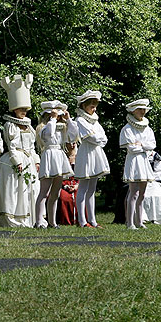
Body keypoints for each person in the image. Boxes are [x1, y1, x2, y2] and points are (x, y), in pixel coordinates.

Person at [0, 74, 39, 227]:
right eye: (20, 108)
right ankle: (13, 219)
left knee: (31, 189)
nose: (23, 111)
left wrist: (36, 160)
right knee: (14, 191)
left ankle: (32, 218)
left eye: (25, 108)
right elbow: (12, 146)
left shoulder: (29, 125)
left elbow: (32, 146)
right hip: (14, 159)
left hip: (29, 158)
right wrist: (17, 161)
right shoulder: (10, 125)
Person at [70, 90, 110, 228]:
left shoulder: (95, 120)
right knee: (83, 187)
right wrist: (98, 138)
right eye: (91, 105)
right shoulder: (80, 120)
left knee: (92, 188)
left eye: (95, 105)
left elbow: (103, 138)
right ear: (84, 106)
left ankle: (92, 220)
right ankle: (82, 221)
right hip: (86, 153)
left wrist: (98, 138)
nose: (94, 108)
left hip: (96, 153)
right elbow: (91, 137)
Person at [34, 100, 74, 229]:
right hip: (49, 155)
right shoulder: (44, 128)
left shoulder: (61, 127)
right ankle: (39, 221)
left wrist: (68, 120)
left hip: (59, 155)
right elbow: (48, 135)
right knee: (44, 192)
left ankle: (52, 222)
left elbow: (73, 135)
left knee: (55, 192)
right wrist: (52, 119)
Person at [119, 99, 156, 230]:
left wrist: (142, 145)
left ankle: (139, 221)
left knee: (142, 193)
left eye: (144, 109)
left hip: (144, 160)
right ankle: (130, 222)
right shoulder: (127, 128)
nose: (142, 112)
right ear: (133, 110)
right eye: (140, 109)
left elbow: (152, 145)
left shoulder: (148, 128)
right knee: (133, 192)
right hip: (134, 161)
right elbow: (131, 148)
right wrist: (143, 147)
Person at [140, 151, 161, 224]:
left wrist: (150, 178)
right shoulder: (137, 155)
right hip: (139, 180)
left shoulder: (155, 156)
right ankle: (141, 217)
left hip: (154, 181)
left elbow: (158, 172)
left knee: (158, 195)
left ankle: (158, 218)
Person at [57, 143, 78, 225]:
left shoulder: (79, 156)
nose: (72, 145)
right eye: (70, 143)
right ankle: (65, 220)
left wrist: (77, 186)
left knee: (78, 196)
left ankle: (80, 219)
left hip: (78, 183)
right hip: (63, 184)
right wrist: (65, 186)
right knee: (64, 197)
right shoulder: (62, 157)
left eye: (74, 143)